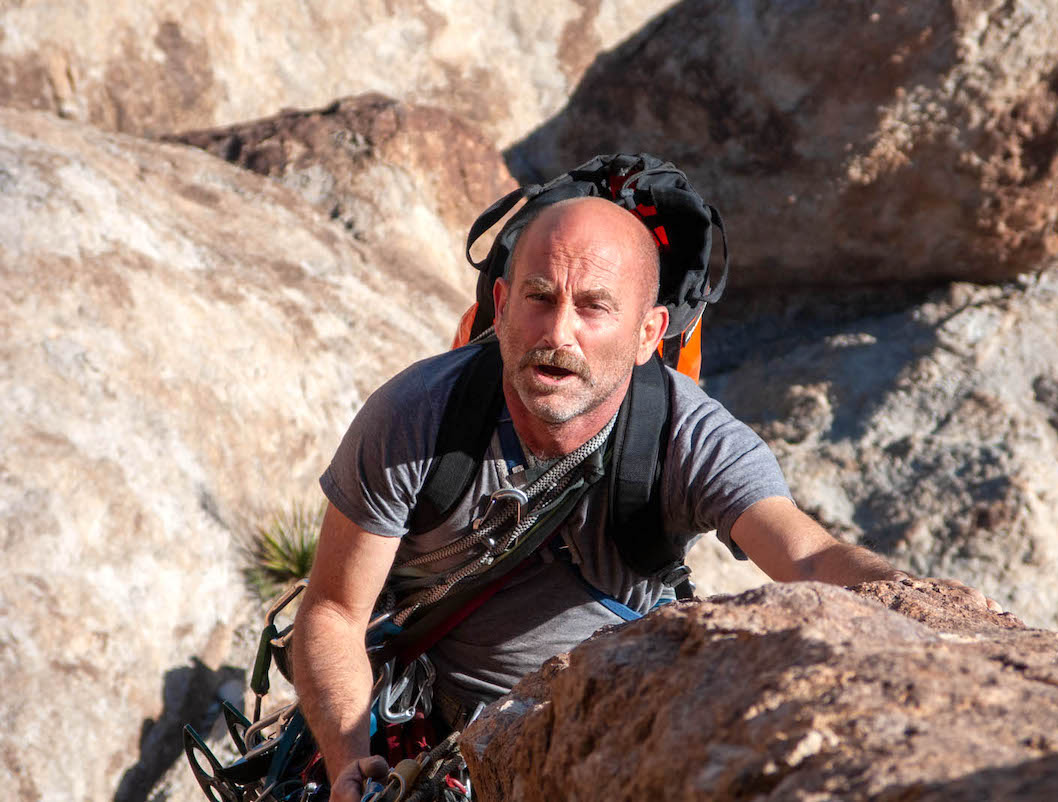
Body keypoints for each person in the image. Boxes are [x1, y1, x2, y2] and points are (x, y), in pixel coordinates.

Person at [292, 196, 999, 801]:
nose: (558, 332)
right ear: (501, 308)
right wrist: (353, 760)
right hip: (435, 734)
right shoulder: (419, 416)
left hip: (610, 731)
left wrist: (922, 607)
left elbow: (807, 557)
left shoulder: (685, 436)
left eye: (594, 307)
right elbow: (333, 611)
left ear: (647, 334)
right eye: (539, 297)